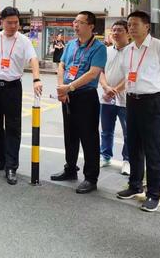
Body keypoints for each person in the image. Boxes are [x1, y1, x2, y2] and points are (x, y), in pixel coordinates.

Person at [116, 10, 160, 212]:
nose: (131, 28)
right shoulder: (128, 50)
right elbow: (128, 77)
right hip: (132, 101)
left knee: (153, 149)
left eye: (135, 24)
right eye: (129, 24)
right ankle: (134, 185)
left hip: (153, 102)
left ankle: (154, 194)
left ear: (147, 26)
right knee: (133, 145)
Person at [0, 6, 42, 185]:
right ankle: (1, 160)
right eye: (9, 22)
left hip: (13, 87)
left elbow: (33, 60)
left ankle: (11, 167)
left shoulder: (23, 41)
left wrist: (36, 79)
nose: (13, 26)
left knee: (13, 127)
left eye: (16, 22)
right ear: (2, 22)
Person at [51, 11, 107, 194]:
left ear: (91, 26)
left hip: (85, 96)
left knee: (89, 138)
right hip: (68, 95)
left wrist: (70, 87)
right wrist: (62, 87)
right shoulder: (71, 44)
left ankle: (91, 178)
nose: (76, 25)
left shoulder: (99, 48)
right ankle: (70, 168)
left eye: (80, 22)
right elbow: (62, 65)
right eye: (75, 22)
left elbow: (93, 72)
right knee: (70, 134)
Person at [99, 20, 130, 176]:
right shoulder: (106, 51)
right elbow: (100, 71)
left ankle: (127, 160)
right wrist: (106, 87)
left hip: (125, 99)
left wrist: (115, 90)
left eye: (120, 30)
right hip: (106, 98)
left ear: (128, 33)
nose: (116, 33)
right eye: (114, 30)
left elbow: (131, 76)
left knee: (128, 132)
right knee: (106, 130)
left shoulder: (133, 51)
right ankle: (105, 156)